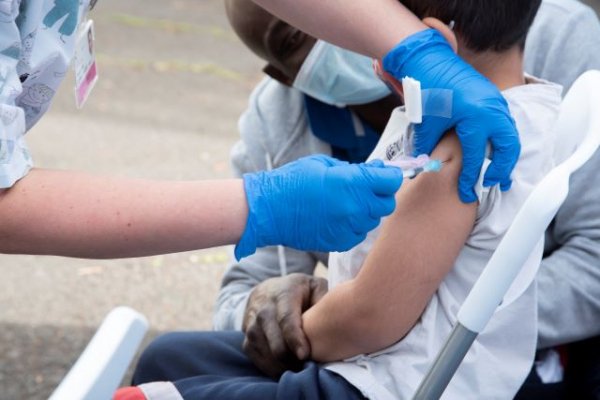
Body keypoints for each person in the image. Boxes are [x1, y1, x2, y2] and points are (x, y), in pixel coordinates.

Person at [126, 0, 562, 398]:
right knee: (169, 355)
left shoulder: (459, 145)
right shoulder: (524, 109)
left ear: (435, 40)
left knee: (153, 393)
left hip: (377, 381)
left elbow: (368, 319)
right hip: (369, 355)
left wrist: (298, 327)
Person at [0, 2, 409, 263]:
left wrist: (412, 42)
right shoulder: (277, 122)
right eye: (298, 38)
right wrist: (260, 206)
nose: (334, 39)